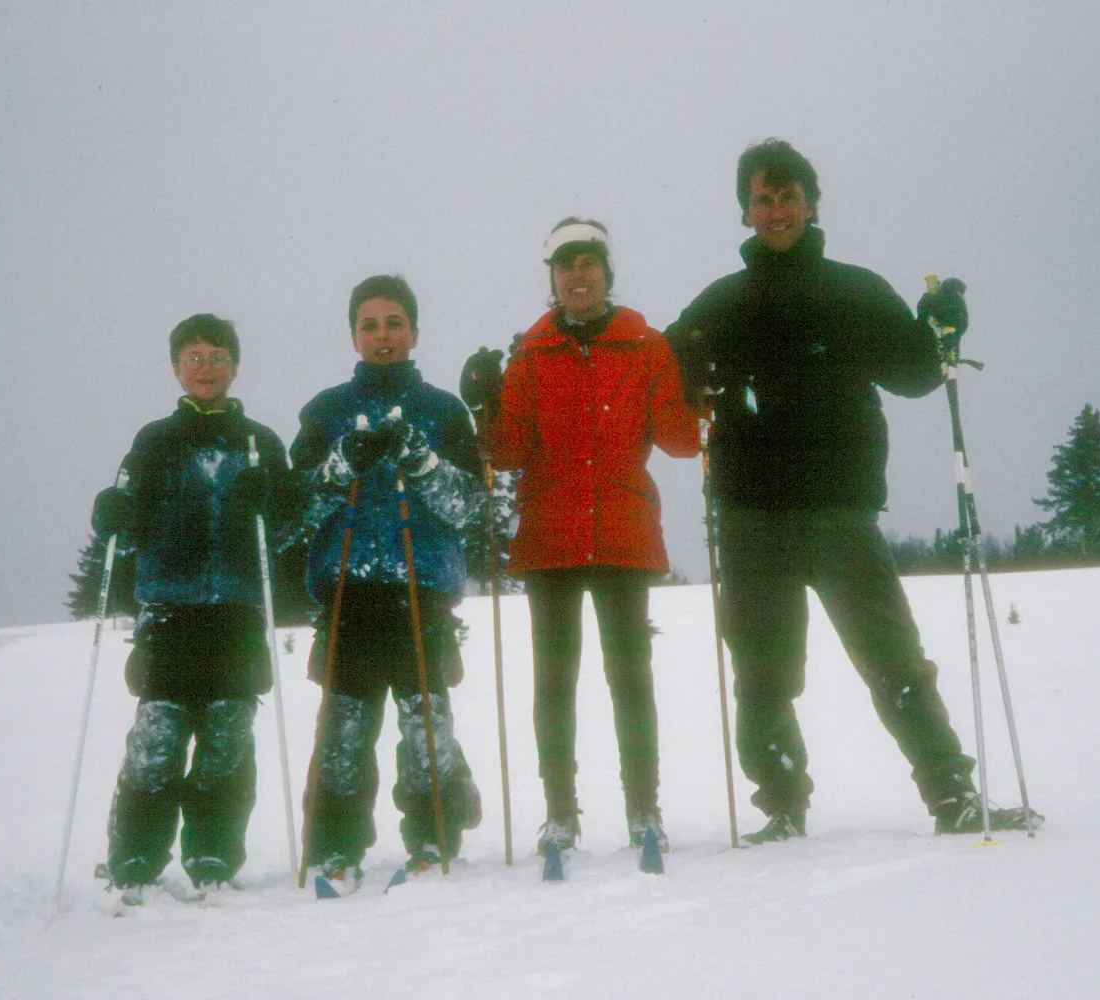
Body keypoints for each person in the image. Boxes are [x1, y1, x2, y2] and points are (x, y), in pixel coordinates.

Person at [665, 139, 1039, 840]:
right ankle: (781, 805)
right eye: (762, 199)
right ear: (745, 212)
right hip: (750, 514)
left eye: (787, 197)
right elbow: (665, 383)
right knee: (763, 674)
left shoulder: (855, 291)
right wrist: (684, 366)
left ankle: (951, 793)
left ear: (811, 203)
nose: (776, 211)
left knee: (894, 660)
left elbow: (915, 373)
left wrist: (942, 327)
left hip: (840, 508)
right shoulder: (720, 303)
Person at [460, 219, 700, 856]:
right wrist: (484, 408)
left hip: (623, 532)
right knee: (554, 682)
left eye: (588, 262)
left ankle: (643, 807)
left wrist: (700, 391)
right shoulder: (531, 355)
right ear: (552, 277)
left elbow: (681, 442)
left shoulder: (646, 347)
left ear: (606, 271)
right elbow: (507, 453)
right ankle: (560, 811)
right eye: (565, 265)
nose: (577, 275)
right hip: (550, 538)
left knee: (630, 678)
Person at [90, 313, 297, 901]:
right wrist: (113, 515)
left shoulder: (260, 442)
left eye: (217, 357)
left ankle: (213, 851)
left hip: (235, 613)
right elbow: (126, 526)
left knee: (227, 739)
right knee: (157, 740)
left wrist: (277, 504)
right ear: (176, 367)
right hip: (171, 613)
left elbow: (284, 534)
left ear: (235, 365)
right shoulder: (155, 440)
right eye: (195, 357)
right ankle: (135, 855)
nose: (207, 368)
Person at [292, 274, 483, 888]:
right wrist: (341, 462)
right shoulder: (324, 412)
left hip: (421, 590)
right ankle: (334, 846)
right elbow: (294, 511)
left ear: (414, 332)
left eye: (394, 324)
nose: (382, 336)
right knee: (344, 731)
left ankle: (433, 837)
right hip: (349, 592)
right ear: (353, 334)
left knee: (424, 726)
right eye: (370, 325)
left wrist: (421, 461)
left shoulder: (443, 410)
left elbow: (471, 509)